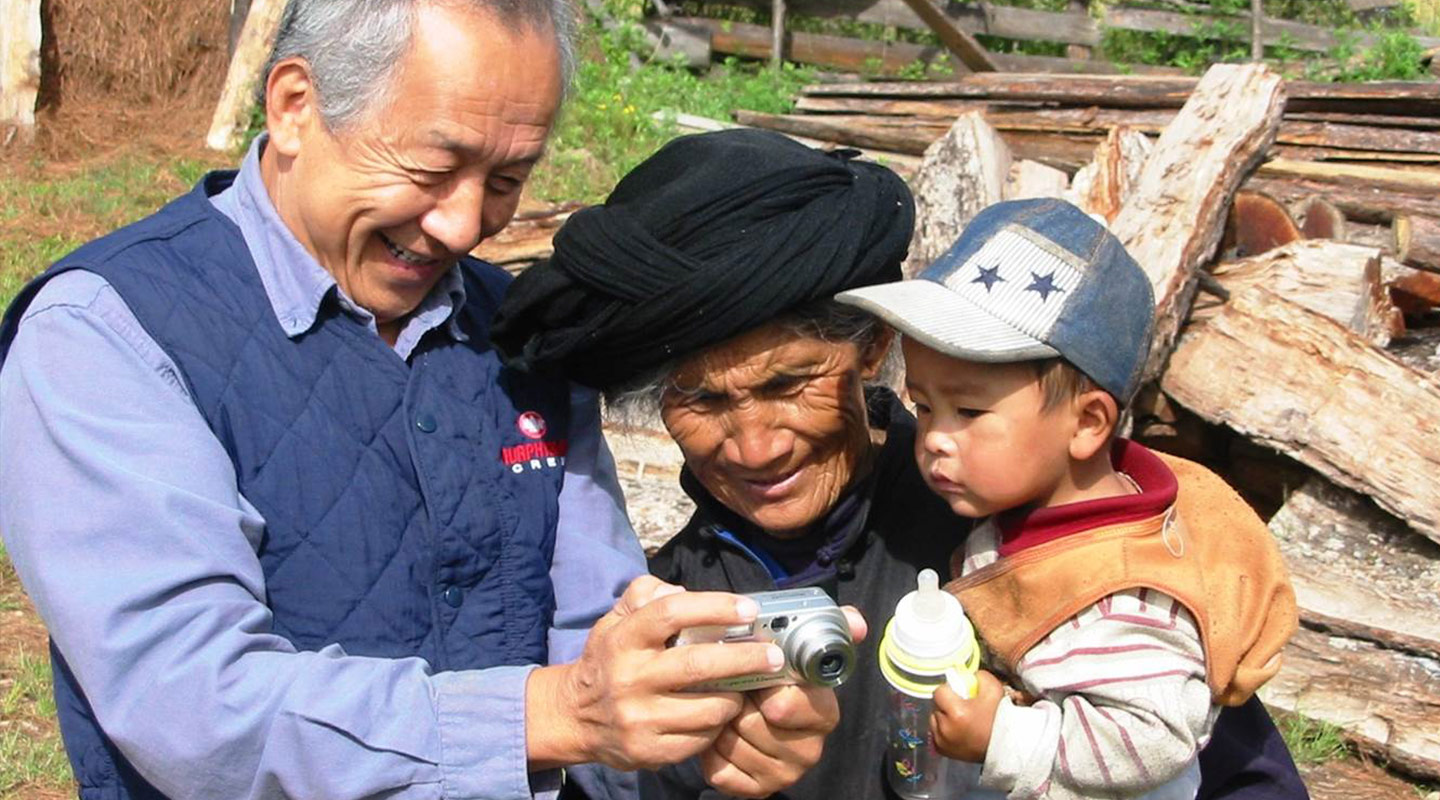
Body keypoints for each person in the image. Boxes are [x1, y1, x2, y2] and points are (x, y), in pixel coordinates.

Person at [0, 3, 850, 798]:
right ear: (296, 105)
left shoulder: (519, 336)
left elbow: (596, 624)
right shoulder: (108, 333)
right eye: (434, 167)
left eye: (509, 180)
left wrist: (699, 718)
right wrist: (554, 715)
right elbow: (192, 704)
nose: (463, 224)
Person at [491, 131, 1310, 800]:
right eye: (700, 402)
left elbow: (1235, 772)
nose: (754, 447)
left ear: (872, 348)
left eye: (787, 383)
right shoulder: (678, 613)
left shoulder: (1026, 534)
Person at [835, 198, 1298, 800]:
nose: (935, 439)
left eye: (970, 411)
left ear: (1086, 424)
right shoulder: (1036, 508)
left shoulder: (1121, 594)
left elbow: (1152, 738)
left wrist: (1003, 736)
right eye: (924, 406)